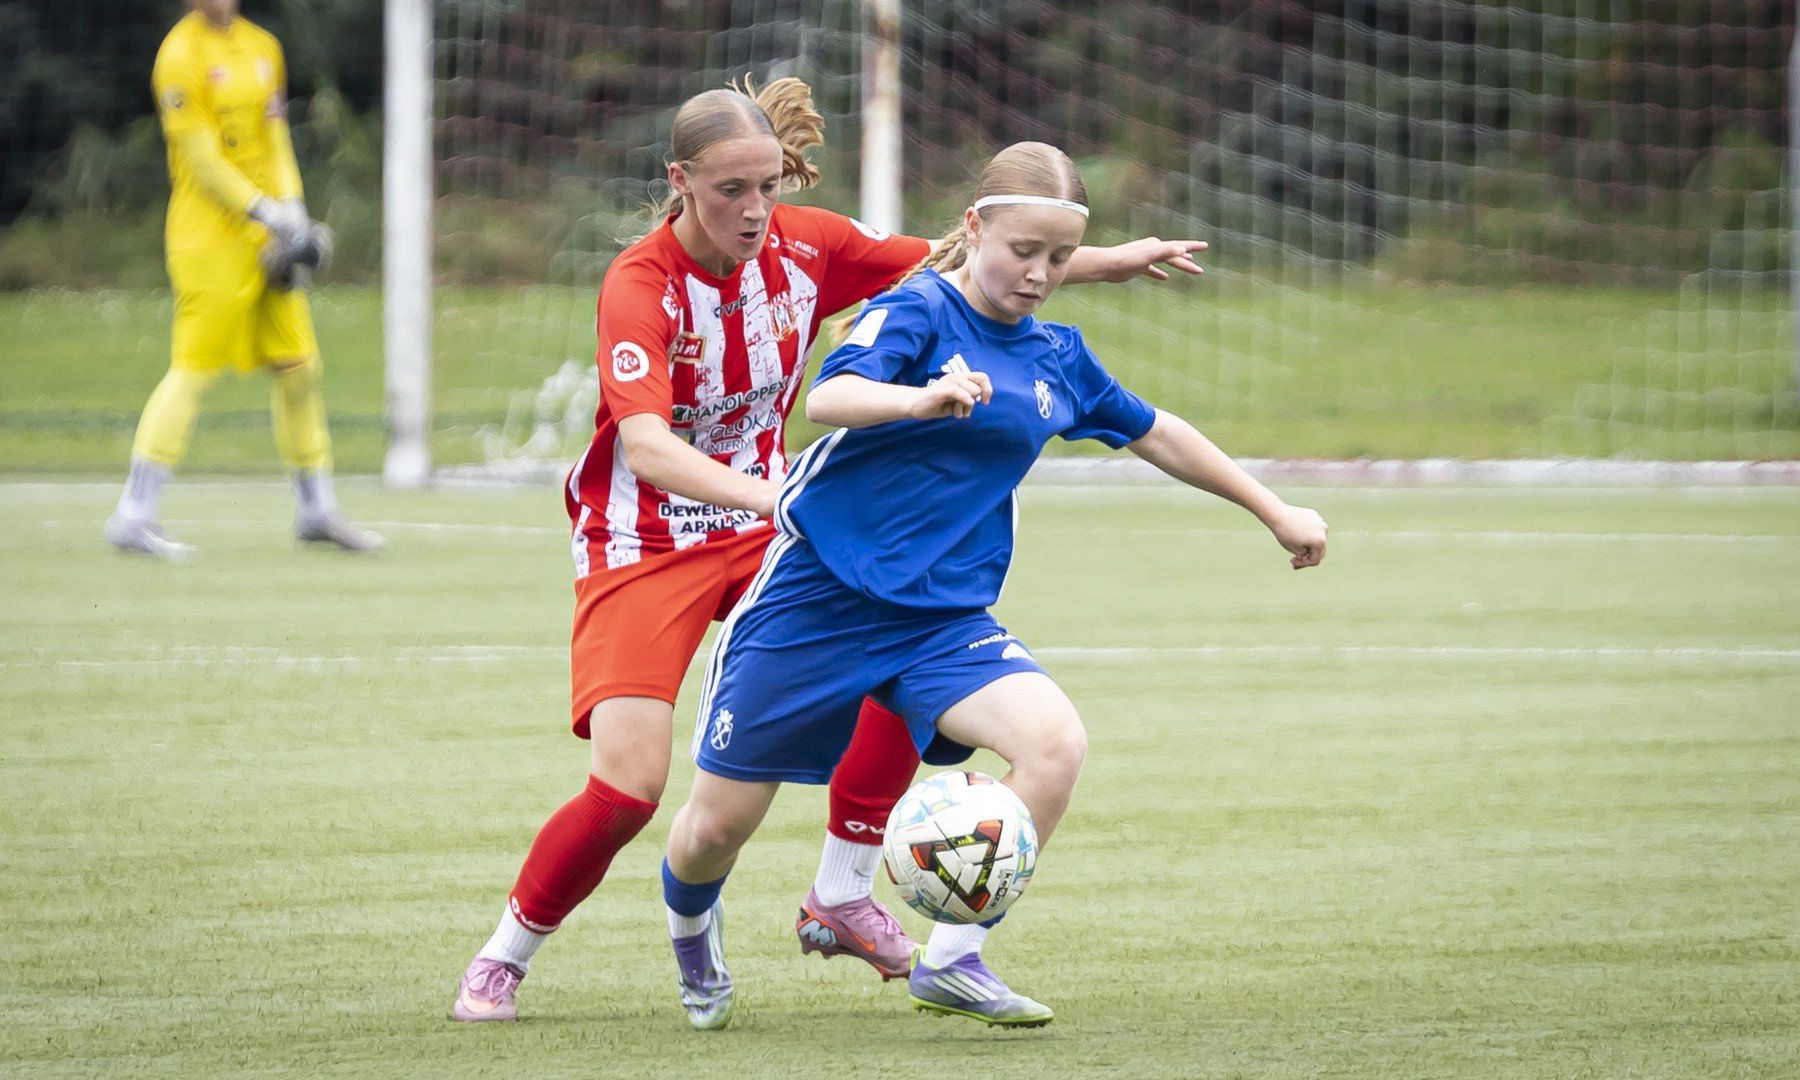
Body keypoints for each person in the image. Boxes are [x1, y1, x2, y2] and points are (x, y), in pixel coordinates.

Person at [451, 81, 1209, 1022]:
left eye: (769, 187)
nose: (755, 211)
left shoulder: (806, 245)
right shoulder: (639, 285)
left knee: (896, 630)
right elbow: (646, 448)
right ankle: (506, 954)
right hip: (645, 537)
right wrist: (776, 496)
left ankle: (843, 893)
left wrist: (1110, 261)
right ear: (681, 183)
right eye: (731, 191)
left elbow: (969, 256)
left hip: (772, 526)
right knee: (631, 790)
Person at [658, 141, 1328, 1029]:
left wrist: (1273, 508)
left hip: (940, 620)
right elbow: (832, 397)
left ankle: (953, 959)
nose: (1041, 274)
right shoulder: (919, 308)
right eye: (1024, 251)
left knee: (1054, 745)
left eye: (1059, 257)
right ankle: (692, 932)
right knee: (714, 830)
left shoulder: (1056, 355)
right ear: (974, 229)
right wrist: (921, 398)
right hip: (818, 598)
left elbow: (1155, 429)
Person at [106, 0, 380, 560]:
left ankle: (316, 509)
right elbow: (200, 158)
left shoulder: (262, 46)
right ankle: (133, 514)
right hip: (208, 238)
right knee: (194, 370)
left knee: (298, 367)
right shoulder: (179, 55)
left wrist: (293, 207)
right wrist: (266, 211)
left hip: (268, 234)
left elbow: (276, 140)